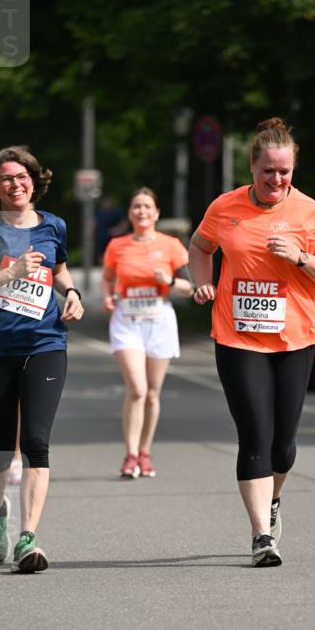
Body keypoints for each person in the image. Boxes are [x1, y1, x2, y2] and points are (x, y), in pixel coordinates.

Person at [188, 117, 315, 567]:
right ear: (251, 167)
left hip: (294, 338)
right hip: (238, 338)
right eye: (268, 171)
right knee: (254, 433)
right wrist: (202, 282)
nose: (276, 179)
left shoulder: (309, 212)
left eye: (284, 171)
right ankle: (261, 537)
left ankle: (274, 501)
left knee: (283, 447)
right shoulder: (225, 206)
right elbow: (200, 247)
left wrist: (301, 256)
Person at [0, 145, 84, 572]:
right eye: (7, 178)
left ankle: (28, 538)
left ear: (35, 180)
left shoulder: (54, 226)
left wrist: (72, 293)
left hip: (45, 343)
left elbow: (59, 268)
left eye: (23, 175)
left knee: (36, 442)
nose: (17, 183)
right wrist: (10, 273)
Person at [102, 187, 193, 478]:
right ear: (130, 213)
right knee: (137, 389)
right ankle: (130, 455)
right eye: (136, 207)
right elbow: (107, 278)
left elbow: (189, 287)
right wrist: (107, 296)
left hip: (159, 322)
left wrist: (168, 280)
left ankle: (145, 452)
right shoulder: (117, 245)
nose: (141, 211)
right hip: (127, 320)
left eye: (147, 207)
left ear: (156, 213)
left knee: (152, 394)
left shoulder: (171, 245)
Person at [95, 196, 128, 264]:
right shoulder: (99, 213)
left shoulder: (117, 212)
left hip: (114, 238)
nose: (107, 204)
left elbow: (124, 225)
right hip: (102, 237)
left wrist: (117, 230)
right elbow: (93, 223)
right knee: (102, 254)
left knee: (116, 253)